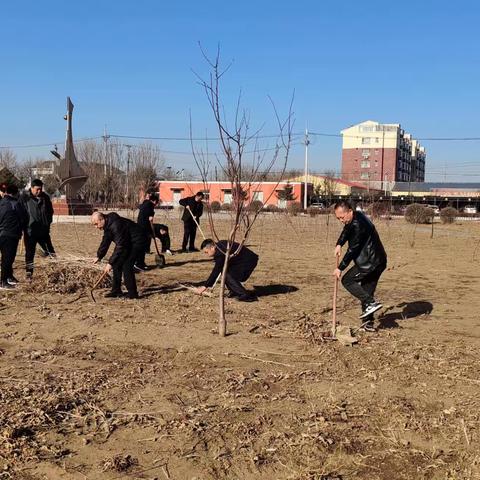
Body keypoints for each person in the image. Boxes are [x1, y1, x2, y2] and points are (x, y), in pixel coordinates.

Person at [333, 200, 387, 331]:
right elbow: (347, 230)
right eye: (338, 218)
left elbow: (353, 250)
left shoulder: (358, 225)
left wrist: (340, 268)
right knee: (366, 291)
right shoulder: (355, 217)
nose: (341, 220)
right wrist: (339, 243)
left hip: (371, 263)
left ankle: (371, 303)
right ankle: (367, 324)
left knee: (347, 280)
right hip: (378, 261)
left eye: (342, 217)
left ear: (349, 211)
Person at [91, 211, 147, 299]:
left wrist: (110, 263)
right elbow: (106, 241)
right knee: (117, 264)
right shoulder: (108, 224)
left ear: (101, 219)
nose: (95, 227)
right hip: (128, 242)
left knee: (127, 265)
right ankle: (116, 290)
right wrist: (99, 256)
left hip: (138, 240)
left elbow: (120, 246)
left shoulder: (116, 225)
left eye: (96, 224)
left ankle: (133, 294)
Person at [194, 238, 258, 302]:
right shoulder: (220, 246)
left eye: (206, 252)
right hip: (241, 261)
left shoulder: (220, 253)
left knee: (227, 274)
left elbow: (216, 271)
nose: (207, 255)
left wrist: (205, 286)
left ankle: (244, 295)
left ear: (212, 247)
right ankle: (234, 291)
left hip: (248, 261)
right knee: (225, 270)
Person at [19, 179, 55, 278]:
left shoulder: (45, 198)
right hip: (30, 231)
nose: (39, 191)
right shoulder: (24, 198)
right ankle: (29, 273)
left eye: (41, 189)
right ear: (32, 188)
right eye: (37, 189)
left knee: (50, 252)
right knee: (30, 253)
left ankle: (54, 271)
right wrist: (23, 226)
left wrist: (47, 223)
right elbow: (20, 213)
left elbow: (50, 212)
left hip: (43, 231)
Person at [0, 184, 28, 289]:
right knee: (8, 258)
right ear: (16, 193)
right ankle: (3, 281)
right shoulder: (15, 204)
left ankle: (9, 276)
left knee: (6, 258)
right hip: (10, 234)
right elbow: (24, 218)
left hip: (2, 233)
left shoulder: (1, 202)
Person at [136, 191, 159, 270]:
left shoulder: (145, 203)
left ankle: (140, 262)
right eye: (156, 204)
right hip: (143, 228)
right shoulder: (149, 205)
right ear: (154, 201)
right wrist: (151, 216)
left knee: (141, 246)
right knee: (142, 247)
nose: (155, 205)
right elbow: (149, 217)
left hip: (140, 227)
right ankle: (139, 264)